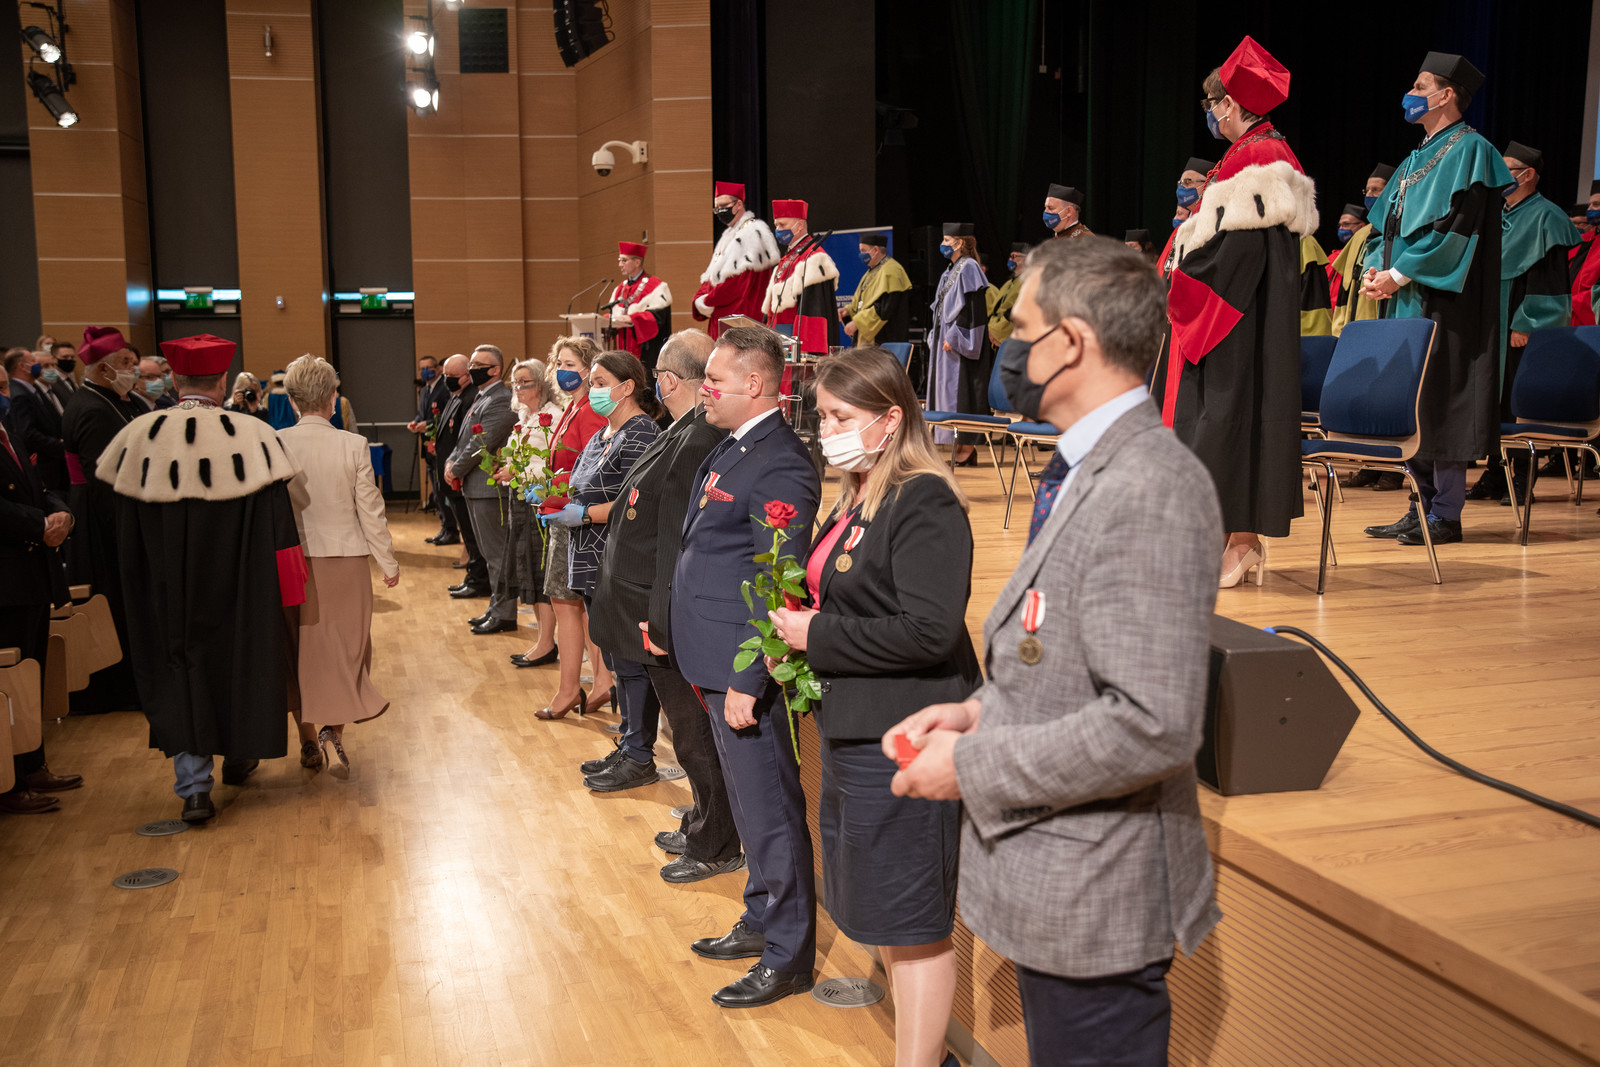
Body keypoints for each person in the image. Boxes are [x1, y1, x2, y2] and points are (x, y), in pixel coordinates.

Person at [886, 237, 1223, 1067]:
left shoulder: (1150, 484)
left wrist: (973, 765)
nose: (1009, 349)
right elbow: (1055, 651)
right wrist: (975, 711)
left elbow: (1151, 724)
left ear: (1071, 342)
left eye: (1022, 329)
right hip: (1059, 882)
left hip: (1099, 895)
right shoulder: (1084, 465)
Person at [766, 347, 980, 1067]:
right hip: (855, 726)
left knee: (913, 921)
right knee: (887, 913)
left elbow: (930, 630)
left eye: (840, 417)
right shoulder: (859, 493)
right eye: (822, 416)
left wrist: (818, 635)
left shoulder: (924, 498)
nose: (825, 430)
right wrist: (798, 639)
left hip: (904, 732)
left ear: (890, 419)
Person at [99, 333, 309, 824]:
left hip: (166, 589)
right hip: (241, 586)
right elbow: (281, 529)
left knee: (181, 666)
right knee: (240, 660)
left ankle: (194, 788)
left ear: (174, 380)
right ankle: (238, 755)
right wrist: (290, 592)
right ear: (222, 380)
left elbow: (120, 535)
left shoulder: (138, 437)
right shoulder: (254, 436)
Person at [672, 325, 821, 1009]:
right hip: (710, 653)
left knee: (770, 810)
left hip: (742, 667)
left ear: (755, 384)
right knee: (748, 803)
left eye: (715, 380)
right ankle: (761, 916)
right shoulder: (735, 445)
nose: (704, 390)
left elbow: (777, 582)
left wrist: (748, 677)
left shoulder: (781, 461)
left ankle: (789, 955)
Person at [585, 330, 743, 877]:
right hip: (647, 607)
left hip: (662, 614)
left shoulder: (698, 436)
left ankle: (716, 842)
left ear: (668, 380)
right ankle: (703, 819)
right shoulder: (682, 428)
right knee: (687, 732)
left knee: (693, 735)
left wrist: (657, 618)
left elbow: (674, 537)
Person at [1164, 35, 1312, 587]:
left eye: (1213, 103)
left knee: (1234, 415)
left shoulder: (1259, 157)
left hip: (1239, 317)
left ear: (1230, 103)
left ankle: (1244, 540)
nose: (1210, 113)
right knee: (1223, 419)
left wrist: (1182, 278)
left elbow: (1237, 253)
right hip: (1241, 311)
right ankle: (1231, 537)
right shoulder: (1250, 151)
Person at [1360, 51, 1512, 548]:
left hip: (1444, 298)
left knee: (1442, 399)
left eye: (1420, 85)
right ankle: (1419, 506)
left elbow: (1458, 230)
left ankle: (1446, 512)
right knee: (1413, 401)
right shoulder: (1412, 159)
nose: (1411, 93)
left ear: (1446, 95)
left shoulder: (1472, 150)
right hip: (1404, 297)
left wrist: (1399, 274)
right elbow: (1386, 228)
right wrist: (1376, 271)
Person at [541, 352, 662, 785]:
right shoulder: (603, 434)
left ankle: (640, 755)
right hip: (593, 560)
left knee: (630, 660)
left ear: (627, 387)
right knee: (612, 654)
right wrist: (558, 501)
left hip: (621, 561)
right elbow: (583, 484)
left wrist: (583, 514)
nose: (592, 389)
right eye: (591, 381)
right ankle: (628, 744)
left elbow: (636, 502)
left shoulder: (642, 434)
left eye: (599, 382)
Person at [277, 355, 398, 779]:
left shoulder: (275, 443)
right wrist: (387, 561)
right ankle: (335, 729)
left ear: (292, 401)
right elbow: (370, 510)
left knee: (298, 648)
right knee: (348, 650)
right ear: (333, 398)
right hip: (345, 559)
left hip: (290, 560)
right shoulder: (352, 444)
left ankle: (308, 739)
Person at [1466, 141, 1582, 504]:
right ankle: (1495, 472)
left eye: (1508, 169)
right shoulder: (1497, 216)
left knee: (1516, 401)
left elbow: (1550, 282)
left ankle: (1521, 476)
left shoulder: (1547, 217)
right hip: (1491, 325)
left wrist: (1528, 324)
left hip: (1519, 327)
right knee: (1492, 399)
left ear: (1528, 175)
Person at [60, 327, 146, 713]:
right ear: (103, 368)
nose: (133, 368)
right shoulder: (92, 408)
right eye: (125, 362)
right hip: (101, 519)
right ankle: (115, 688)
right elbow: (102, 480)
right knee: (111, 601)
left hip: (120, 510)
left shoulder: (120, 400)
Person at [0, 408, 81, 815]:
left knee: (32, 678)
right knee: (10, 687)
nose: (3, 395)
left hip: (32, 577)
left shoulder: (10, 433)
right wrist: (39, 524)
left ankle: (33, 766)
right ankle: (9, 781)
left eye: (2, 385)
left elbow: (40, 486)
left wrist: (61, 511)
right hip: (6, 582)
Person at [532, 336, 612, 718]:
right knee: (578, 608)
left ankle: (569, 691)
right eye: (559, 363)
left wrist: (559, 496)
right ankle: (602, 682)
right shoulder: (573, 407)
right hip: (566, 510)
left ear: (588, 368)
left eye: (570, 364)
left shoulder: (589, 409)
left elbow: (593, 470)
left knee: (566, 605)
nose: (563, 370)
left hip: (576, 515)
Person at [495, 359, 562, 668]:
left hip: (538, 503)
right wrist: (508, 469)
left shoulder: (553, 416)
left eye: (525, 382)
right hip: (521, 503)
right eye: (515, 382)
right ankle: (542, 640)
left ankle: (547, 642)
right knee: (527, 574)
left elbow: (551, 465)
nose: (518, 388)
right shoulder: (525, 417)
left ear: (541, 385)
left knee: (539, 573)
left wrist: (517, 472)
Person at [447, 345, 517, 634]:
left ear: (496, 370)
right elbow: (463, 440)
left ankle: (504, 613)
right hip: (475, 487)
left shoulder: (500, 399)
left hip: (489, 489)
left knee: (497, 555)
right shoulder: (482, 396)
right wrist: (451, 461)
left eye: (479, 365)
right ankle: (495, 606)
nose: (472, 369)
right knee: (489, 555)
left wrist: (455, 468)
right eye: (471, 364)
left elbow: (481, 444)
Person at [927, 223, 993, 463]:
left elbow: (973, 309)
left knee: (962, 391)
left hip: (960, 341)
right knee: (947, 391)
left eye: (947, 240)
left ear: (959, 242)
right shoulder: (950, 269)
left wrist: (956, 336)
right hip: (946, 339)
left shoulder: (969, 267)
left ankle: (967, 448)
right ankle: (960, 447)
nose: (942, 244)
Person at [693, 181, 781, 337]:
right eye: (717, 208)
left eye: (724, 206)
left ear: (738, 204)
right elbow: (711, 278)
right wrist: (699, 297)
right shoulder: (730, 235)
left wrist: (706, 301)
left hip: (740, 321)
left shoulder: (751, 233)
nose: (720, 211)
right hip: (724, 319)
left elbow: (736, 285)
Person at [762, 198, 839, 355]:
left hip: (797, 343)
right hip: (779, 340)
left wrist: (805, 353)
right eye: (776, 225)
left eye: (782, 225)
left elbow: (813, 312)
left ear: (800, 225)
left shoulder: (813, 257)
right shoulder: (788, 257)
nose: (778, 230)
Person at [435, 355, 484, 582]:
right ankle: (473, 575)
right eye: (445, 375)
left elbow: (468, 442)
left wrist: (456, 468)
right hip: (451, 477)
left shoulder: (470, 398)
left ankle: (477, 578)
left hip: (462, 477)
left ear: (467, 376)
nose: (447, 380)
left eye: (453, 376)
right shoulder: (456, 396)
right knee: (467, 531)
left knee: (472, 534)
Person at [5, 347, 66, 492]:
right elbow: (27, 433)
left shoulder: (30, 390)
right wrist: (59, 445)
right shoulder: (19, 394)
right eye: (33, 361)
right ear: (22, 366)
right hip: (44, 465)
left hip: (52, 464)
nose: (37, 365)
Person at [608, 242, 673, 370]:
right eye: (619, 260)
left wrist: (632, 318)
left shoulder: (656, 286)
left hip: (646, 352)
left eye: (624, 260)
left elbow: (658, 318)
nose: (620, 264)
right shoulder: (620, 288)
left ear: (637, 262)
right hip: (621, 348)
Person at [840, 234, 912, 346]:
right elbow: (863, 302)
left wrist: (858, 322)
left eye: (863, 250)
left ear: (875, 250)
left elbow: (885, 309)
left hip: (885, 340)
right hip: (870, 341)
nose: (861, 254)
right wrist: (848, 310)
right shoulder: (871, 271)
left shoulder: (892, 270)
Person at [988, 243, 1030, 348]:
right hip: (996, 333)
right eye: (1010, 256)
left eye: (1014, 256)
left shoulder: (1028, 281)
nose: (1011, 259)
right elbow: (995, 309)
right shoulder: (1009, 283)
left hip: (1011, 336)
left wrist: (999, 331)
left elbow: (1017, 310)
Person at [1571, 181, 1600, 326]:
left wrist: (1569, 303)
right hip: (1567, 320)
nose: (1590, 209)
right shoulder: (1582, 241)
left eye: (1596, 204)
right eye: (1589, 205)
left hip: (1590, 323)